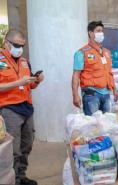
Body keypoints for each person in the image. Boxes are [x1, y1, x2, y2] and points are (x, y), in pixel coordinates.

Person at [0, 29, 44, 185]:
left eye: (22, 46)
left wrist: (37, 80)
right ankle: (12, 180)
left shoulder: (25, 61)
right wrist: (18, 83)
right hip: (9, 109)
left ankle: (21, 175)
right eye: (16, 45)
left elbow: (29, 84)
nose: (19, 48)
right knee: (13, 149)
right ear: (6, 43)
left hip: (26, 108)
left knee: (27, 144)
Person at [72, 21, 118, 115]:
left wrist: (115, 90)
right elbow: (76, 75)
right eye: (98, 31)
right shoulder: (81, 53)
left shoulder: (107, 52)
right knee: (92, 127)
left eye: (102, 31)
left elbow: (109, 73)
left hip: (106, 94)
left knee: (106, 125)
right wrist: (75, 95)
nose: (101, 33)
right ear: (90, 33)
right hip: (91, 95)